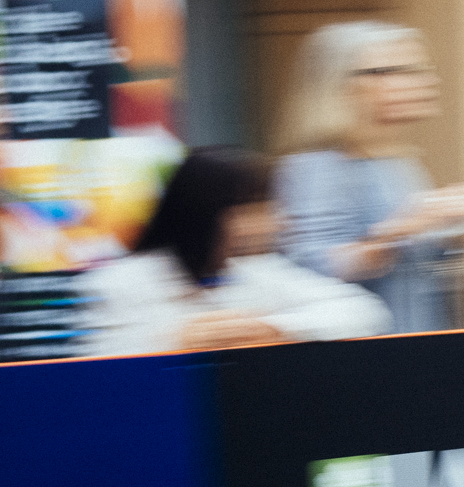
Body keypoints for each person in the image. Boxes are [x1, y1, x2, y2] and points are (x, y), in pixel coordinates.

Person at [275, 21, 464, 333]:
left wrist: (450, 232)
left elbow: (414, 261)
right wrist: (405, 227)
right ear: (346, 85)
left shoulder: (397, 162)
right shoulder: (314, 168)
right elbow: (314, 271)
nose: (425, 81)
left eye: (419, 69)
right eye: (398, 70)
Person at [83, 147, 390, 355]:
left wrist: (267, 327)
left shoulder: (259, 272)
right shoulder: (118, 283)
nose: (276, 223)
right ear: (208, 212)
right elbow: (97, 368)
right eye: (256, 210)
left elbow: (364, 312)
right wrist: (178, 340)